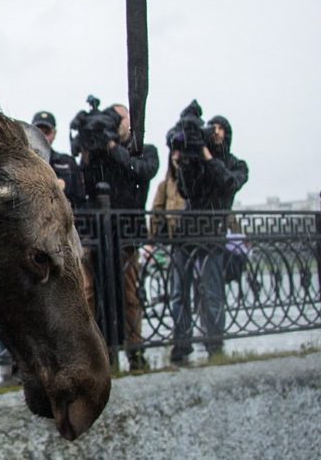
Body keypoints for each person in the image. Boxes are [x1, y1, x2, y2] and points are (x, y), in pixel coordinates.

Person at [77, 102, 159, 371]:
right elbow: (86, 184)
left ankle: (135, 352)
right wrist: (88, 152)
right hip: (99, 235)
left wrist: (113, 147)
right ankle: (102, 355)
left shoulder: (144, 150)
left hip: (127, 236)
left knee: (129, 295)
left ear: (129, 123)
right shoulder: (99, 153)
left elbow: (142, 171)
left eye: (120, 119)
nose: (116, 124)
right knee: (94, 294)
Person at [168, 107, 249, 365]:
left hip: (213, 232)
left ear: (228, 134)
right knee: (179, 291)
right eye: (212, 128)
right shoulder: (196, 161)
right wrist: (182, 162)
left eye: (221, 128)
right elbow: (186, 191)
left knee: (212, 291)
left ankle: (215, 344)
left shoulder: (236, 163)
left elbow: (228, 183)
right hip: (187, 231)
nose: (216, 132)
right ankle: (182, 344)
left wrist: (206, 154)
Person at [31, 110, 85, 210]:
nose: (42, 136)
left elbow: (79, 198)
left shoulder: (68, 163)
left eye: (47, 132)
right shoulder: (22, 163)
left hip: (63, 220)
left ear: (54, 134)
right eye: (38, 132)